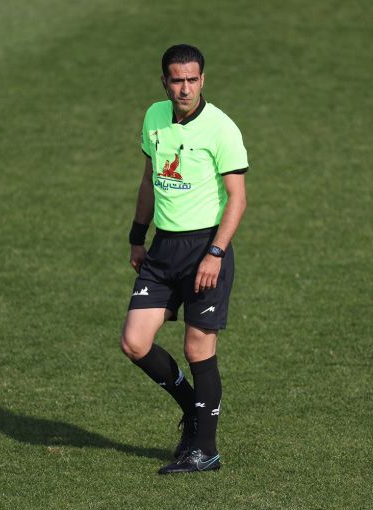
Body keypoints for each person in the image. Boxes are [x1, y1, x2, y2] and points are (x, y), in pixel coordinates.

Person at [120, 44, 248, 475]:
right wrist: (137, 237)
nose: (185, 88)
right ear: (165, 82)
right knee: (135, 342)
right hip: (162, 250)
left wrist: (216, 253)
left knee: (198, 349)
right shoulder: (154, 117)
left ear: (203, 80)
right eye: (177, 80)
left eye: (193, 80)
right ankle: (192, 409)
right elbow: (148, 180)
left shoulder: (221, 128)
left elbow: (237, 198)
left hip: (204, 249)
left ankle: (205, 450)